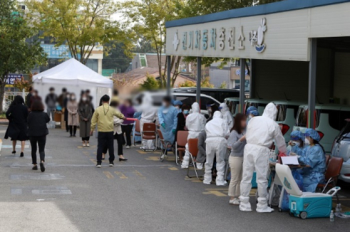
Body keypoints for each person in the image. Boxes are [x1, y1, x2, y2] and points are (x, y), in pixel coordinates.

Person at [239, 103, 286, 213]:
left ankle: (244, 203)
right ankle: (262, 204)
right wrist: (285, 153)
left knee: (246, 176)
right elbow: (280, 142)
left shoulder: (253, 120)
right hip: (262, 149)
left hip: (249, 147)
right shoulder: (273, 124)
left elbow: (248, 133)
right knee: (262, 178)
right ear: (274, 113)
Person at [90, 95, 125, 168]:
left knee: (100, 146)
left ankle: (99, 162)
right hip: (110, 130)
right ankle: (111, 161)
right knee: (110, 146)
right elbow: (119, 115)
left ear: (102, 101)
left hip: (101, 130)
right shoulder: (112, 109)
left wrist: (92, 129)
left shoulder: (98, 109)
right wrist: (123, 117)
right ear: (109, 100)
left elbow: (93, 120)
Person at [203, 111, 230, 186]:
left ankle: (207, 178)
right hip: (220, 141)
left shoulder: (209, 123)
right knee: (220, 160)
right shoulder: (223, 122)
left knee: (209, 160)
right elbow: (227, 133)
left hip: (209, 140)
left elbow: (206, 131)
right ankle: (219, 180)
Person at [227, 113, 247, 205]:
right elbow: (232, 146)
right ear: (239, 121)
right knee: (234, 178)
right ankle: (231, 197)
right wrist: (241, 139)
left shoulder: (245, 131)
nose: (245, 122)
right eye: (243, 120)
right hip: (235, 157)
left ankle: (238, 196)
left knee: (240, 178)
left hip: (243, 157)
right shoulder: (234, 132)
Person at [298, 128, 326, 192]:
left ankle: (304, 199)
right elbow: (301, 155)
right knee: (293, 177)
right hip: (307, 173)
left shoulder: (317, 149)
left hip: (315, 176)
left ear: (312, 138)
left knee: (297, 181)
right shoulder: (308, 148)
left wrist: (298, 157)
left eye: (307, 137)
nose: (306, 139)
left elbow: (309, 163)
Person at [181, 102, 206, 169]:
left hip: (191, 134)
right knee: (200, 149)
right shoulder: (202, 116)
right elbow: (204, 126)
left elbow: (187, 125)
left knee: (188, 148)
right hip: (200, 134)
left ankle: (185, 164)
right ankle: (199, 164)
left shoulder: (189, 116)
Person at [27, 100, 50, 172]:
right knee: (42, 149)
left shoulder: (30, 114)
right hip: (42, 133)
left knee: (33, 149)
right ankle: (42, 161)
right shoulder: (44, 114)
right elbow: (47, 120)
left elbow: (27, 122)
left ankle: (34, 164)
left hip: (32, 133)